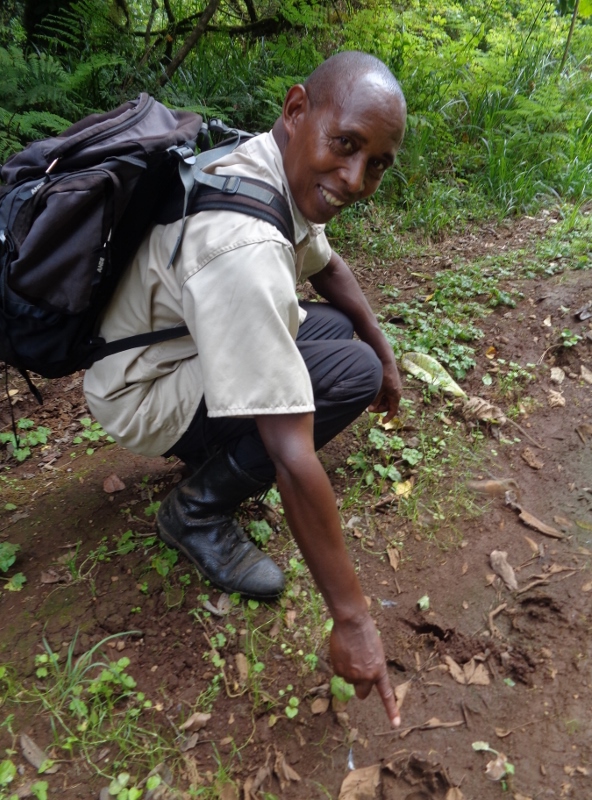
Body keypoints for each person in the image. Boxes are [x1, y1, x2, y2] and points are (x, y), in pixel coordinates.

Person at [84, 50, 407, 727]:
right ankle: (195, 513)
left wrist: (384, 348)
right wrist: (353, 620)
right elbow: (291, 453)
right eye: (346, 145)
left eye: (377, 164)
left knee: (342, 336)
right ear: (296, 110)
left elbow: (326, 265)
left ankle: (216, 451)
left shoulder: (269, 163)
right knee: (346, 375)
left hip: (171, 346)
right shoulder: (243, 246)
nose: (356, 180)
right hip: (143, 389)